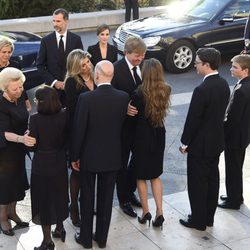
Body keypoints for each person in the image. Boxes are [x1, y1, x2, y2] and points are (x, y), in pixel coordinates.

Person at [72, 60, 129, 249]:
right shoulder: (123, 97)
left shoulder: (87, 99)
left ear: (97, 75)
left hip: (89, 156)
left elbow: (79, 130)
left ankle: (86, 240)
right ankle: (102, 239)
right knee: (106, 200)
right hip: (113, 156)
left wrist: (74, 156)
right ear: (111, 76)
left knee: (87, 198)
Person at [179, 48, 230, 231]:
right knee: (212, 180)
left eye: (197, 62)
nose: (195, 65)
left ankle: (198, 221)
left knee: (197, 184)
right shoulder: (224, 83)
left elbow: (193, 119)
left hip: (200, 146)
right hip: (216, 142)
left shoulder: (202, 89)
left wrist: (184, 142)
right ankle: (208, 218)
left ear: (206, 65)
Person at [130, 58, 171, 229]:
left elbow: (131, 116)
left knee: (141, 176)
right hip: (158, 135)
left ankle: (145, 212)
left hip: (141, 138)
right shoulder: (166, 89)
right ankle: (160, 212)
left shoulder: (139, 93)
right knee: (155, 175)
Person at [27, 86, 69, 250]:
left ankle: (47, 242)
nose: (35, 102)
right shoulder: (64, 115)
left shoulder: (35, 119)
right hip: (59, 162)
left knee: (43, 201)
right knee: (59, 195)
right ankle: (59, 228)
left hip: (42, 165)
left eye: (36, 100)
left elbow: (31, 146)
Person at [112, 36, 146, 218]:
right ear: (126, 53)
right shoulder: (115, 70)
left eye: (142, 55)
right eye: (136, 56)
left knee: (138, 158)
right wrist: (124, 108)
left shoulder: (144, 66)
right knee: (122, 163)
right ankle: (123, 199)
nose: (140, 59)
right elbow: (109, 97)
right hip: (122, 126)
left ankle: (130, 190)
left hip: (140, 124)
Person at [0, 67, 36, 236]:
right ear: (5, 88)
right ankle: (2, 218)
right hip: (5, 151)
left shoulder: (20, 97)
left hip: (18, 150)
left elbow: (25, 117)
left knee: (17, 182)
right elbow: (4, 133)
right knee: (5, 185)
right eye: (15, 88)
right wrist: (22, 139)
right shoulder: (1, 105)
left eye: (21, 86)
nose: (20, 91)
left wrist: (28, 130)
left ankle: (12, 212)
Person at [64, 49, 96, 227]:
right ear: (75, 66)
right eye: (82, 65)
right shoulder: (71, 82)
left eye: (88, 63)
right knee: (77, 172)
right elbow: (72, 114)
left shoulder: (96, 77)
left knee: (90, 171)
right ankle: (74, 206)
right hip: (78, 133)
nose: (87, 67)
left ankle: (87, 204)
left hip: (95, 134)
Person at [218, 54, 250, 210]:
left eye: (235, 67)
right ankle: (236, 195)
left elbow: (232, 119)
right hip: (243, 136)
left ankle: (233, 201)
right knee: (236, 167)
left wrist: (222, 134)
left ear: (245, 71)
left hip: (235, 137)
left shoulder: (241, 90)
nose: (231, 69)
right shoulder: (245, 85)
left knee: (233, 169)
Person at [36, 8, 83, 106]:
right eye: (53, 20)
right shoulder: (45, 41)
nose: (55, 24)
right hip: (52, 92)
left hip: (72, 89)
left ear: (66, 21)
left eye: (58, 21)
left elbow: (80, 63)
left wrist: (70, 81)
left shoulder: (76, 39)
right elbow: (40, 66)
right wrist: (54, 82)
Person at [0, 38, 31, 112]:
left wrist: (26, 100)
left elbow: (21, 85)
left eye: (9, 52)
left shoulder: (16, 65)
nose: (7, 55)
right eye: (4, 52)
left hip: (18, 101)